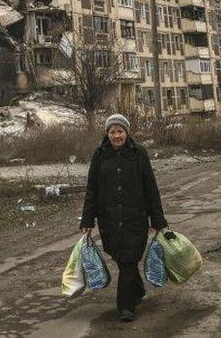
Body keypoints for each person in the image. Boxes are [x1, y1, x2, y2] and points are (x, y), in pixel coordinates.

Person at [80, 114, 168, 323]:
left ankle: (126, 306)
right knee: (121, 259)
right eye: (112, 132)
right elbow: (91, 189)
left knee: (129, 260)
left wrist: (158, 220)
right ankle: (137, 290)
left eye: (120, 131)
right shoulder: (100, 156)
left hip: (135, 219)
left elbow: (150, 188)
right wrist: (87, 220)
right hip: (109, 221)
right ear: (107, 134)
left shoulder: (139, 154)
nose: (116, 135)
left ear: (127, 133)